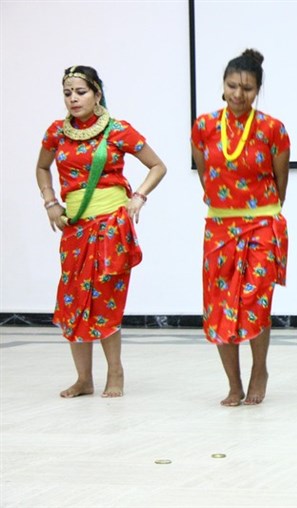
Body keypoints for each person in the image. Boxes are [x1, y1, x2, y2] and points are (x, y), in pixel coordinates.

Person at [35, 65, 167, 398]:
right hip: (75, 228)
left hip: (110, 227)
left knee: (106, 300)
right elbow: (42, 167)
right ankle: (83, 378)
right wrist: (50, 202)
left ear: (97, 93)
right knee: (74, 299)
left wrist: (138, 196)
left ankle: (115, 373)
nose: (73, 99)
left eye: (80, 92)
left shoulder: (118, 130)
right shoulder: (57, 132)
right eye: (67, 93)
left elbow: (157, 165)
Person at [191, 49, 289, 407]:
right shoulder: (203, 126)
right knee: (220, 306)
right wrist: (226, 207)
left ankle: (258, 370)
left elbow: (281, 183)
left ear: (258, 89)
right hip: (219, 226)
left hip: (262, 223)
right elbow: (207, 175)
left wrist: (258, 212)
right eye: (232, 86)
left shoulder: (272, 128)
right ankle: (233, 384)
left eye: (247, 88)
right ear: (223, 87)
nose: (238, 94)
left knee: (254, 302)